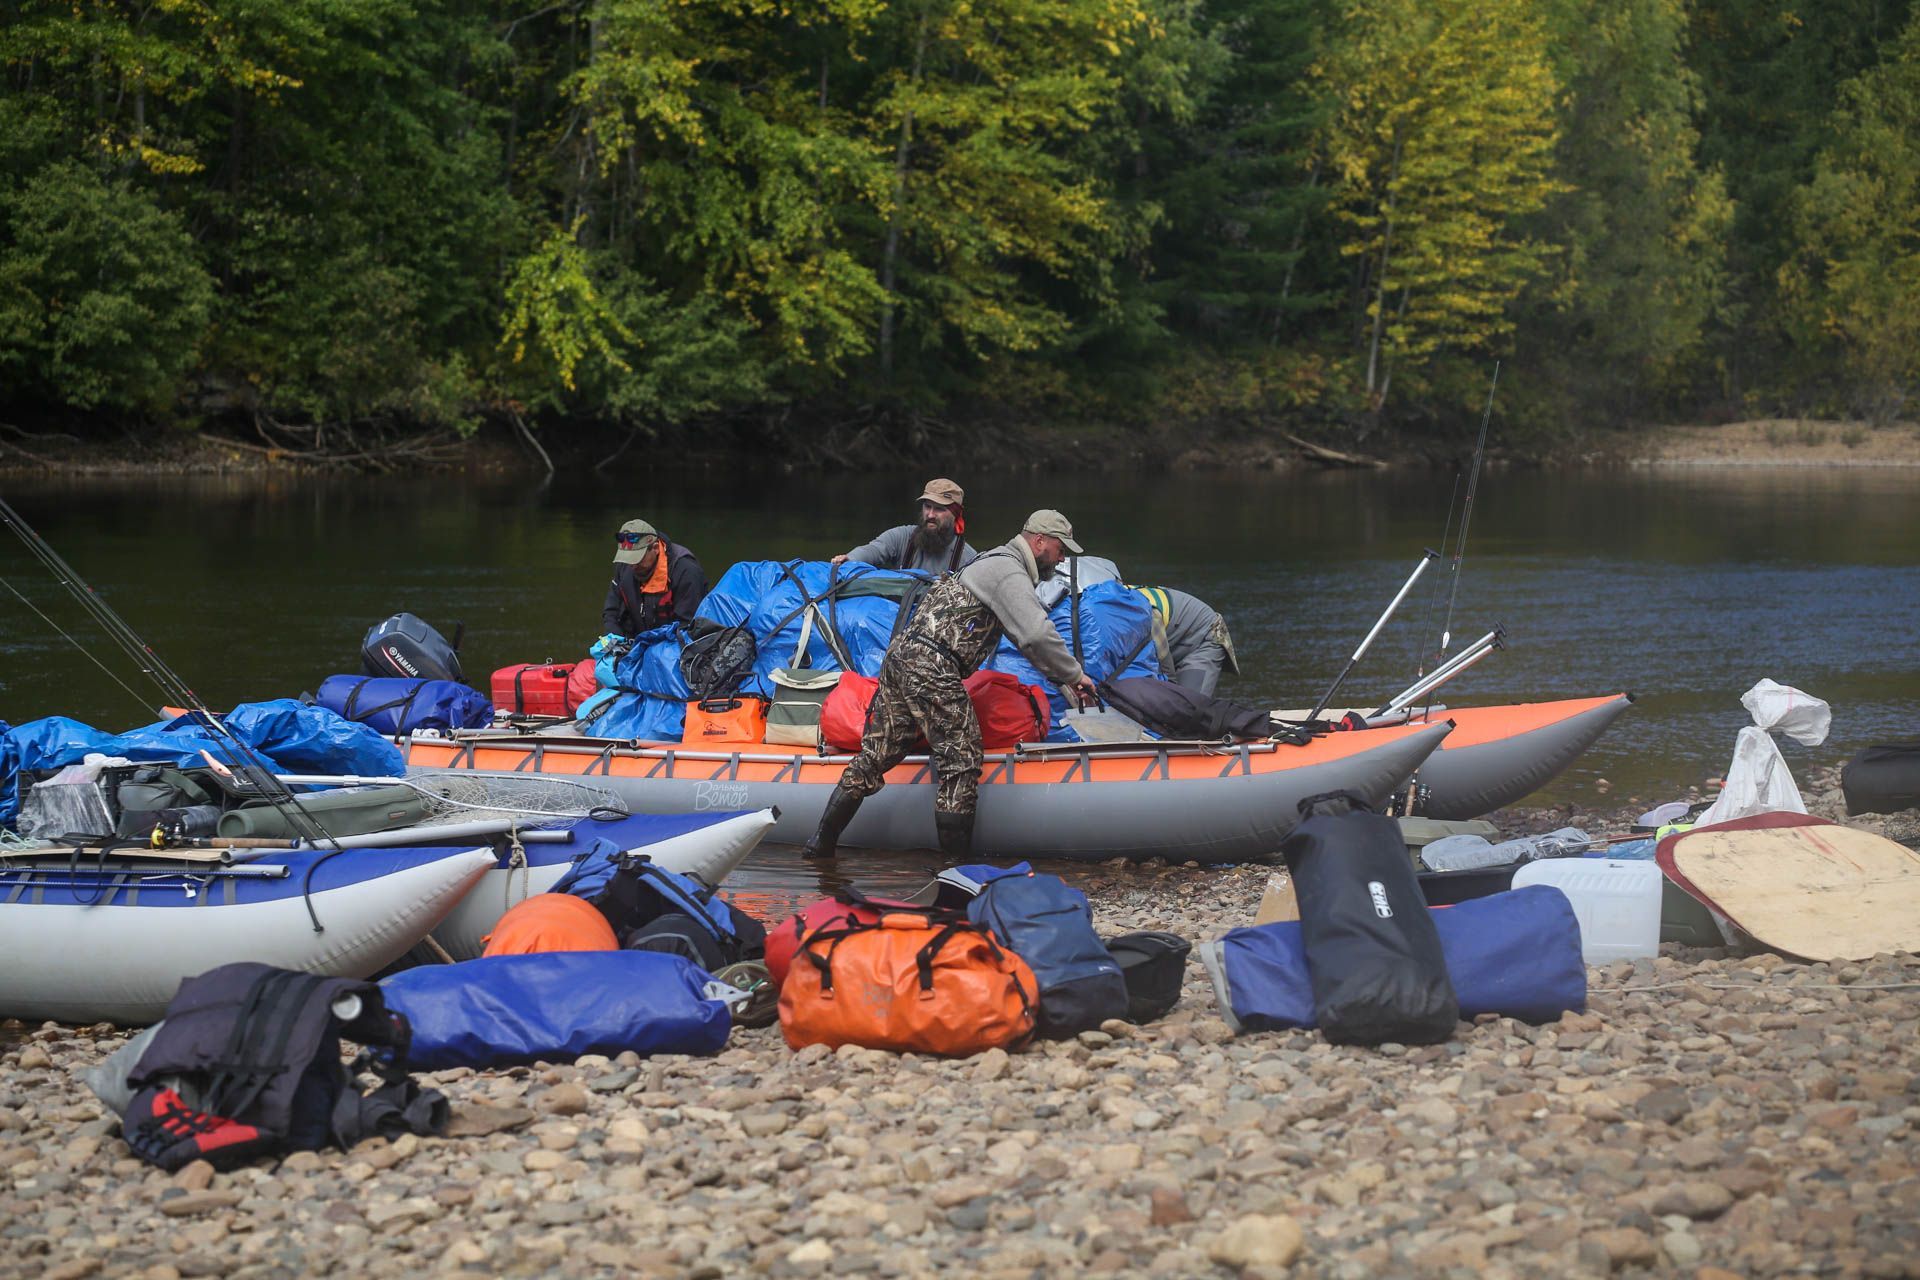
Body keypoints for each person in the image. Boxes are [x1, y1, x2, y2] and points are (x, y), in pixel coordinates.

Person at [803, 510, 1100, 861]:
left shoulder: (993, 560)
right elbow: (1036, 633)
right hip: (932, 664)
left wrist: (1064, 679)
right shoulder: (1009, 570)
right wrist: (1077, 674)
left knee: (877, 755)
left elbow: (1026, 640)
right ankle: (956, 867)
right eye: (1060, 548)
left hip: (901, 658)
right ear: (1038, 541)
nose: (1063, 557)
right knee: (961, 757)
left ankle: (820, 845)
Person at [830, 478, 978, 574]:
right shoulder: (901, 536)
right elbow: (872, 550)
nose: (931, 515)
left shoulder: (969, 560)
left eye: (939, 509)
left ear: (955, 514)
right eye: (927, 507)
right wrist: (849, 559)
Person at [601, 519, 708, 638]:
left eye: (637, 558)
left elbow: (688, 627)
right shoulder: (624, 566)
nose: (632, 565)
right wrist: (614, 643)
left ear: (656, 548)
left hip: (672, 646)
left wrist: (649, 648)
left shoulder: (686, 572)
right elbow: (612, 612)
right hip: (637, 642)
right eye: (628, 559)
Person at [1134, 585, 1239, 697]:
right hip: (1170, 638)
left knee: (1187, 705)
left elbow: (1167, 674)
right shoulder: (1119, 600)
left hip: (1202, 639)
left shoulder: (1138, 609)